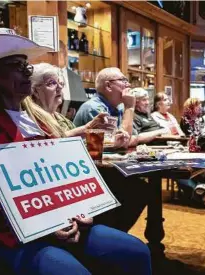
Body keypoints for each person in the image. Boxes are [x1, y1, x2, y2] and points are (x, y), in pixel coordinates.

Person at [0, 28, 151, 275]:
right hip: (3, 234)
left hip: (60, 222)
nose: (26, 70)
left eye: (26, 65)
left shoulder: (38, 119)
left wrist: (82, 209)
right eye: (15, 65)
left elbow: (63, 178)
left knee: (136, 252)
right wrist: (40, 224)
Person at [25, 63, 149, 234]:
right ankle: (109, 237)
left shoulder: (60, 118)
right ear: (34, 91)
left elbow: (96, 147)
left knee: (137, 188)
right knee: (132, 189)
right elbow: (46, 150)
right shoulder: (31, 120)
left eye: (61, 83)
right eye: (52, 83)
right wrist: (90, 131)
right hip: (64, 187)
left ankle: (112, 236)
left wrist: (110, 139)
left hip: (80, 178)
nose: (60, 87)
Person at [73, 67, 136, 139]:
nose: (128, 84)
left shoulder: (120, 106)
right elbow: (121, 142)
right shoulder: (93, 107)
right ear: (108, 86)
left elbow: (134, 137)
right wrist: (129, 107)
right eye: (123, 80)